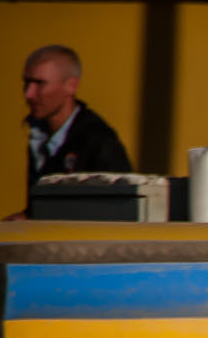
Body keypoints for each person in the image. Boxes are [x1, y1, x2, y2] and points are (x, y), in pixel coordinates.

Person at [20, 44, 131, 215]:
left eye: (39, 83)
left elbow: (118, 210)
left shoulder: (98, 140)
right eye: (27, 83)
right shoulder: (39, 134)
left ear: (71, 86)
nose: (29, 94)